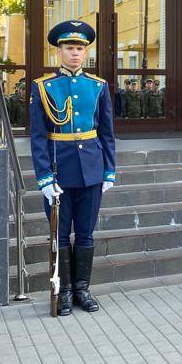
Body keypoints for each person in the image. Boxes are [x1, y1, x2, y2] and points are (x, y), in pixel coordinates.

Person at [29, 20, 115, 316]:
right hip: (59, 171)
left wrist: (109, 171)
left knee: (86, 233)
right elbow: (38, 137)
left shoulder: (98, 86)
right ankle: (64, 291)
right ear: (59, 51)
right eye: (69, 48)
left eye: (80, 48)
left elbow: (107, 132)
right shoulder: (43, 87)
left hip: (91, 168)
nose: (75, 53)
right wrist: (44, 177)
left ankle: (82, 290)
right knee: (61, 235)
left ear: (86, 52)